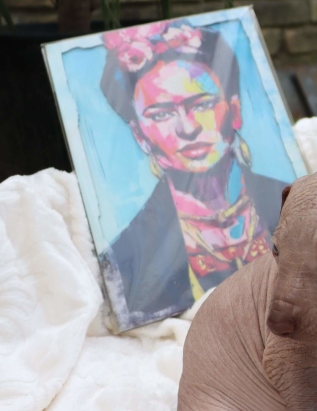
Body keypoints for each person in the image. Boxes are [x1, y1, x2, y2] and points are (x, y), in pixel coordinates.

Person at [98, 21, 289, 328]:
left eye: (201, 104)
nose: (187, 128)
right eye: (161, 114)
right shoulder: (126, 258)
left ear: (234, 110)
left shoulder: (295, 202)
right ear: (140, 136)